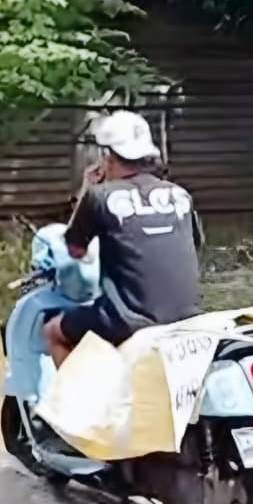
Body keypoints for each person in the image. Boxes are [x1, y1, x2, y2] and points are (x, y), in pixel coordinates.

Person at [43, 110, 203, 367]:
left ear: (106, 156)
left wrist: (87, 188)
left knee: (53, 332)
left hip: (127, 320)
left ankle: (81, 405)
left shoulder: (99, 196)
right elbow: (194, 245)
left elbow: (75, 251)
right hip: (188, 318)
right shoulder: (180, 195)